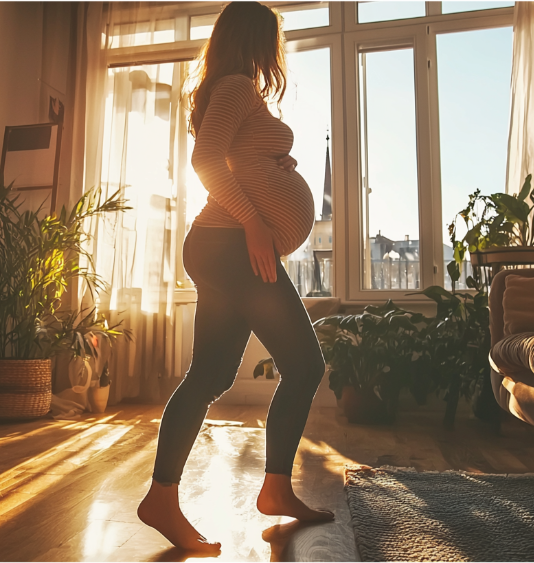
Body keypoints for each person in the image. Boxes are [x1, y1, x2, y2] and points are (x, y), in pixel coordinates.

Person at [137, 0, 333, 553]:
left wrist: (276, 169)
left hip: (220, 247)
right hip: (229, 246)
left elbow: (234, 158)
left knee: (210, 375)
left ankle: (165, 496)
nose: (277, 52)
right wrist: (252, 221)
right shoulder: (237, 87)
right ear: (256, 40)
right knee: (304, 364)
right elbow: (204, 160)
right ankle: (270, 489)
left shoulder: (231, 91)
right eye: (273, 39)